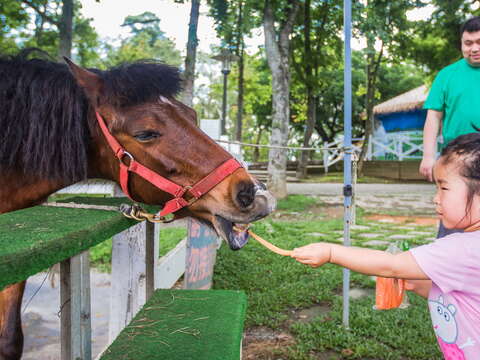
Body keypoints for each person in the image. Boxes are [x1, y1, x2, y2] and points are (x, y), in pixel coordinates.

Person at [292, 132, 480, 359]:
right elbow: (460, 296)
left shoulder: (462, 249)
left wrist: (331, 251)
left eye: (444, 188)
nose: (435, 198)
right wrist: (417, 283)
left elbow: (391, 265)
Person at [419, 16, 480, 237]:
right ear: (461, 44)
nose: (474, 48)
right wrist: (428, 155)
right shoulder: (447, 75)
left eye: (479, 42)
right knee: (454, 214)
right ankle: (446, 264)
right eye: (468, 43)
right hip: (456, 158)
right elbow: (433, 117)